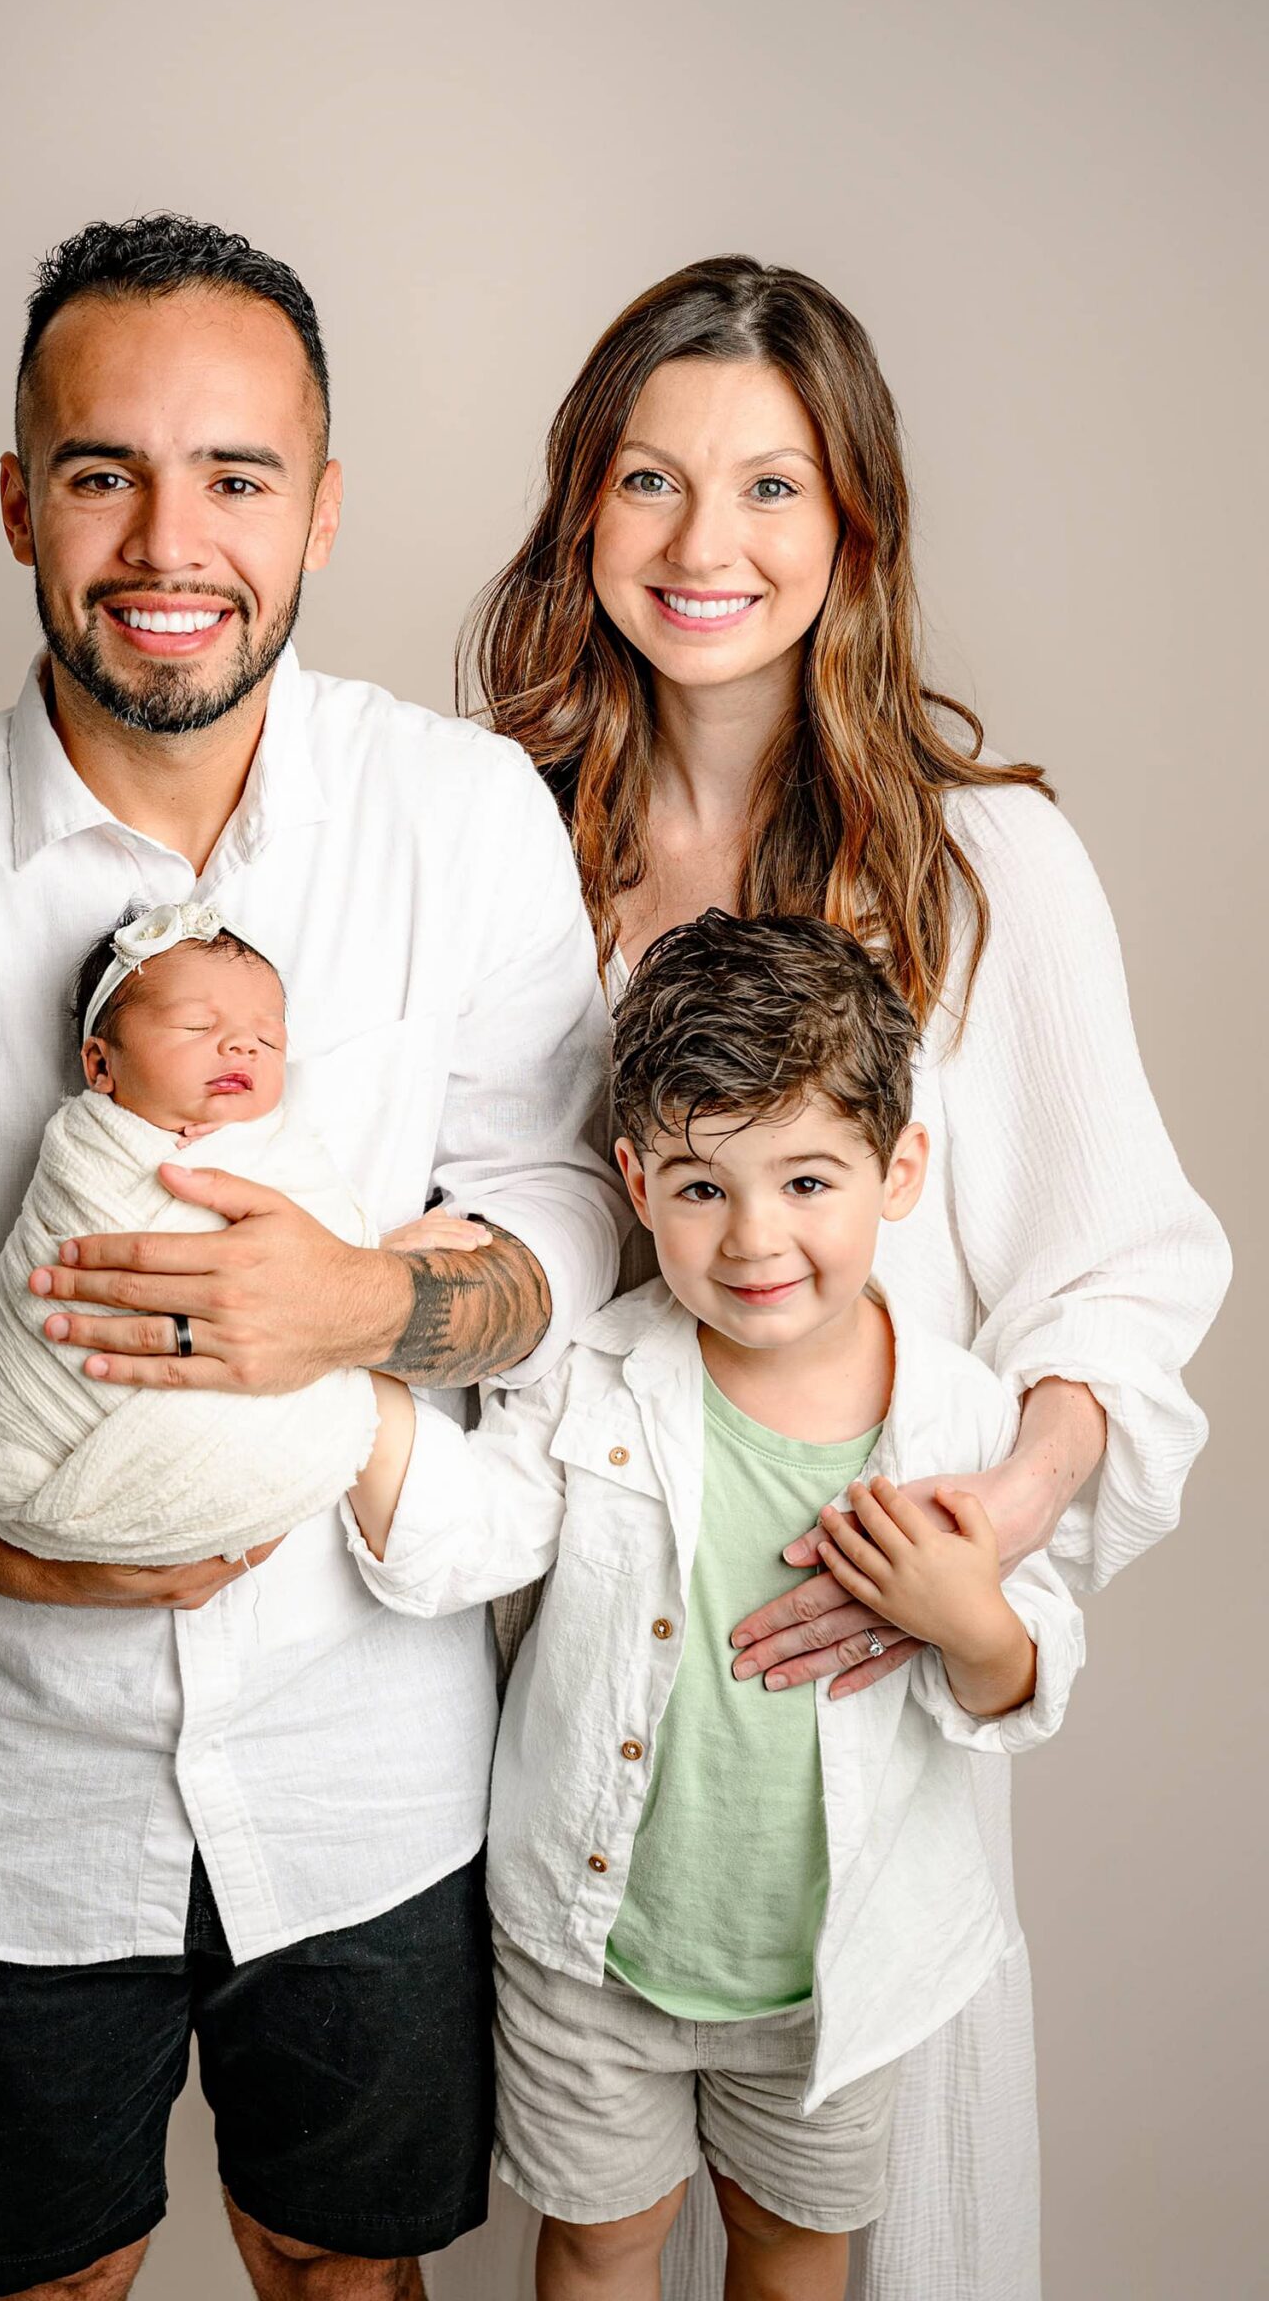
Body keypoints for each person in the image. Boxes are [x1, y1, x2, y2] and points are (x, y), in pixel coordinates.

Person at [0, 213, 627, 2301]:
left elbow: (565, 1200)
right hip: (2, 1784)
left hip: (374, 1771)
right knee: (47, 2283)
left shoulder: (455, 819)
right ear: (18, 498)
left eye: (235, 476)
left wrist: (371, 1302)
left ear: (324, 510)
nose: (167, 541)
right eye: (103, 471)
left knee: (340, 2270)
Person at [464, 255, 1229, 2296]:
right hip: (549, 1704)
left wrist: (1002, 1503)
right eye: (645, 479)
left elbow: (1123, 1271)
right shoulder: (489, 854)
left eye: (770, 486)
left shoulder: (984, 869)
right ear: (578, 510)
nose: (704, 543)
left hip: (854, 1710)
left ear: (852, 523)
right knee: (581, 2221)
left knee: (851, 2237)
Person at [345, 910, 1085, 2301]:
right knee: (601, 2246)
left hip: (827, 1969)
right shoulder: (590, 1374)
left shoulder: (957, 1418)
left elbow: (1023, 1677)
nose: (754, 1239)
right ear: (632, 1181)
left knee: (791, 2255)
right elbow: (460, 1539)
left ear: (897, 1168)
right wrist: (364, 1352)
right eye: (699, 1187)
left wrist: (961, 1613)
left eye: (807, 1181)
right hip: (592, 1944)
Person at [0, 897, 481, 1567]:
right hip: (47, 1453)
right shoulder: (85, 1155)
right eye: (195, 1025)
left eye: (267, 1040)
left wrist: (374, 1262)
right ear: (99, 1066)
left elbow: (324, 1276)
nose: (241, 1045)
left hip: (254, 1483)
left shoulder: (280, 1151)